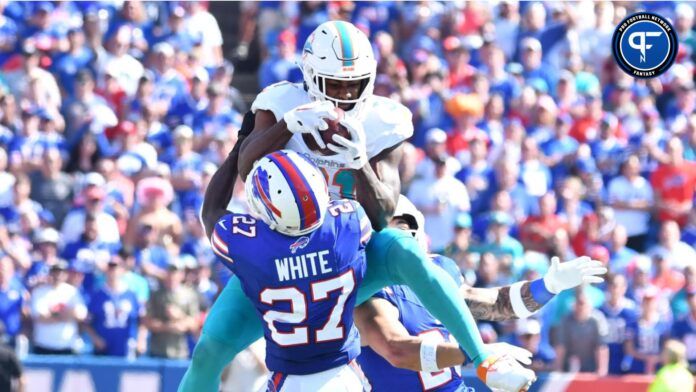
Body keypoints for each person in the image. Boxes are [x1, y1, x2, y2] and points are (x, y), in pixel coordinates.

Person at [180, 20, 537, 392]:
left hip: (347, 249)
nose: (346, 94)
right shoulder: (280, 103)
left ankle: (484, 360)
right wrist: (286, 126)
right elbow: (245, 166)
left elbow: (383, 215)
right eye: (335, 84)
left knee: (403, 250)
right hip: (280, 252)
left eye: (354, 84)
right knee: (209, 350)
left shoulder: (382, 121)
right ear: (310, 76)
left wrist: (358, 161)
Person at [355, 196, 604, 391]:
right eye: (385, 230)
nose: (396, 241)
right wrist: (477, 353)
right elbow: (398, 349)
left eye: (401, 226)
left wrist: (549, 285)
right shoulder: (367, 291)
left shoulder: (439, 269)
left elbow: (495, 304)